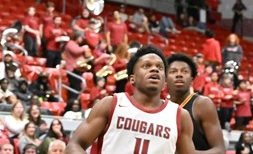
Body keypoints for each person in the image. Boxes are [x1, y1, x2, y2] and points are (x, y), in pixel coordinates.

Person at [64, 46, 194, 154]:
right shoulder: (110, 104)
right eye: (146, 66)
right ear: (132, 78)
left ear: (165, 81)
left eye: (160, 68)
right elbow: (74, 146)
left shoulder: (180, 116)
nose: (154, 69)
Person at [167, 52, 225, 154]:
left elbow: (220, 150)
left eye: (185, 71)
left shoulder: (202, 104)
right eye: (173, 71)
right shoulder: (163, 106)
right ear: (165, 78)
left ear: (192, 79)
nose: (179, 74)